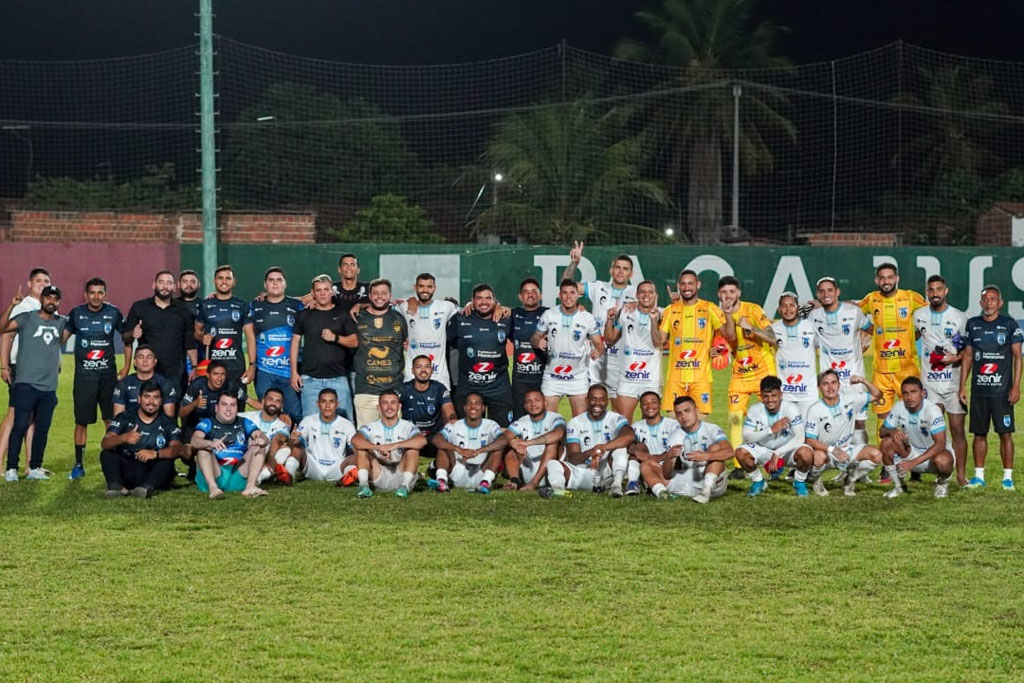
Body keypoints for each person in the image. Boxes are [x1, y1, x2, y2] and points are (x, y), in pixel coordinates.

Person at [959, 284, 1023, 490]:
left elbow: (1017, 357)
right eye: (985, 299)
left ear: (1000, 303)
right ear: (980, 303)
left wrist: (1015, 387)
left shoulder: (1010, 325)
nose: (989, 303)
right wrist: (962, 387)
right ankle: (979, 476)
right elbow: (967, 356)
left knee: (1005, 433)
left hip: (1002, 392)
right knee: (979, 433)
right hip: (979, 391)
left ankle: (1007, 478)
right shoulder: (973, 324)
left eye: (993, 299)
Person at [1, 285, 68, 481]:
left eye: (55, 299)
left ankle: (35, 467)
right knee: (20, 424)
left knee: (42, 429)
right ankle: (11, 467)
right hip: (26, 383)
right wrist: (10, 307)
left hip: (49, 387)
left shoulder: (62, 322)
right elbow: (3, 328)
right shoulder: (27, 317)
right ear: (42, 299)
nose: (51, 301)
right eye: (48, 297)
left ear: (58, 302)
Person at [66, 277, 126, 480]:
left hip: (108, 378)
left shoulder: (113, 313)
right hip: (84, 379)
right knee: (81, 422)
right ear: (86, 294)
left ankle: (113, 461)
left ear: (105, 295)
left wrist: (127, 365)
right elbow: (59, 339)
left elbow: (127, 339)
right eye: (92, 292)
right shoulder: (76, 314)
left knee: (110, 421)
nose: (96, 296)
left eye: (100, 292)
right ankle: (78, 464)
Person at [912, 275, 968, 485]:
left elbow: (967, 351)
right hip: (929, 386)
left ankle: (961, 476)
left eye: (939, 289)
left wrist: (955, 358)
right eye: (931, 290)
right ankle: (936, 471)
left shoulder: (959, 317)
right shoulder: (919, 315)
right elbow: (914, 338)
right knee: (931, 430)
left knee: (957, 431)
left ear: (946, 291)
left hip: (952, 385)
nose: (935, 294)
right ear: (927, 292)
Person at [562, 242, 637, 395]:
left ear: (631, 274)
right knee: (592, 402)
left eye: (625, 269)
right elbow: (566, 285)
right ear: (611, 270)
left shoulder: (638, 293)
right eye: (617, 267)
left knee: (619, 409)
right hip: (596, 355)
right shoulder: (599, 288)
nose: (621, 271)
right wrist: (574, 262)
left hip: (622, 357)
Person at [806, 276, 872, 448]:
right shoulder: (814, 316)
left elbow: (872, 329)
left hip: (854, 378)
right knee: (835, 424)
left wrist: (866, 341)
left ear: (837, 292)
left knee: (859, 423)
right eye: (822, 291)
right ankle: (840, 462)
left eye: (830, 290)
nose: (826, 294)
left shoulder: (853, 312)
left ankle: (860, 465)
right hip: (831, 382)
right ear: (818, 295)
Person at [658, 269, 734, 415]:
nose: (687, 288)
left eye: (690, 284)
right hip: (675, 379)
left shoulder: (709, 308)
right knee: (673, 427)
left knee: (701, 428)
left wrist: (728, 314)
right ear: (678, 286)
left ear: (698, 285)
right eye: (683, 284)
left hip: (701, 378)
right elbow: (659, 340)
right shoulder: (670, 310)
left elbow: (729, 335)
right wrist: (653, 317)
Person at [859, 263, 927, 424]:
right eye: (882, 278)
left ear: (897, 278)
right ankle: (885, 450)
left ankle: (915, 448)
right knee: (883, 419)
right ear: (876, 280)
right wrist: (867, 334)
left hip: (907, 370)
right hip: (881, 372)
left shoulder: (911, 297)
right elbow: (852, 312)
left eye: (890, 277)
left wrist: (917, 333)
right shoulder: (871, 299)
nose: (886, 281)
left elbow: (930, 315)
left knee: (915, 414)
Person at [541, 384, 634, 498]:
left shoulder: (616, 418)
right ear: (586, 400)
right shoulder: (575, 423)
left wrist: (603, 448)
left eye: (601, 399)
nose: (597, 403)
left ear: (607, 401)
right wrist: (590, 452)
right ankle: (558, 490)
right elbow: (573, 458)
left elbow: (629, 435)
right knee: (552, 463)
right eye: (593, 399)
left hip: (607, 471)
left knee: (621, 447)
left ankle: (616, 486)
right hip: (584, 472)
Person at [803, 370, 884, 497]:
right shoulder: (815, 409)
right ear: (819, 387)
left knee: (876, 455)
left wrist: (863, 380)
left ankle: (850, 480)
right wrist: (833, 450)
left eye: (833, 382)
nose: (830, 387)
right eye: (825, 384)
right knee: (818, 457)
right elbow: (810, 440)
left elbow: (878, 395)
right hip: (826, 453)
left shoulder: (851, 400)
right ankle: (815, 480)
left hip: (847, 450)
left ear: (839, 385)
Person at [716, 275, 776, 446]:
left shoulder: (753, 310)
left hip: (764, 373)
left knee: (769, 418)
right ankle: (738, 464)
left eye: (732, 292)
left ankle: (769, 458)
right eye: (724, 292)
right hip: (740, 375)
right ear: (718, 295)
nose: (728, 296)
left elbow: (772, 338)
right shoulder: (719, 316)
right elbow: (731, 337)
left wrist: (752, 328)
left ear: (739, 293)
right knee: (734, 419)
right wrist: (728, 316)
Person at [0, 267, 50, 470]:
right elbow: (6, 335)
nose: (43, 284)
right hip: (19, 367)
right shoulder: (23, 306)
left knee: (33, 417)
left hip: (38, 369)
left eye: (46, 281)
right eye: (38, 281)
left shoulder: (48, 308)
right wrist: (4, 366)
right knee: (14, 414)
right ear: (29, 284)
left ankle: (32, 466)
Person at [532, 278, 604, 416]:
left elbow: (599, 343)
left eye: (572, 292)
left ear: (578, 295)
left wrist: (598, 351)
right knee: (548, 422)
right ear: (559, 295)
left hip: (578, 377)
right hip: (553, 377)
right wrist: (538, 342)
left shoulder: (587, 318)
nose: (568, 296)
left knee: (580, 422)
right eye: (565, 293)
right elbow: (535, 336)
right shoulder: (549, 314)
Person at [640, 396, 733, 504]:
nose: (683, 416)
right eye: (679, 413)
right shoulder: (675, 436)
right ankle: (662, 493)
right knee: (647, 464)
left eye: (687, 411)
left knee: (715, 448)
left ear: (696, 410)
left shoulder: (712, 429)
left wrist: (707, 456)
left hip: (709, 481)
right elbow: (666, 474)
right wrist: (670, 457)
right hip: (683, 481)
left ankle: (706, 491)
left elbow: (730, 452)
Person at [340, 278, 407, 426]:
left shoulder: (399, 319)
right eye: (375, 293)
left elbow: (405, 346)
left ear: (390, 296)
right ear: (369, 296)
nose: (379, 297)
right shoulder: (357, 317)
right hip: (366, 389)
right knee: (366, 438)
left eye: (384, 293)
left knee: (394, 440)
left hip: (393, 391)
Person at [99, 381, 181, 498]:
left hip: (151, 469)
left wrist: (156, 454)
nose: (151, 402)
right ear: (139, 399)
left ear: (161, 401)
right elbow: (105, 443)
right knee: (107, 454)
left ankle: (146, 488)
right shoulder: (125, 417)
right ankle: (116, 487)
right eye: (147, 397)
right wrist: (123, 438)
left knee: (167, 462)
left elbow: (177, 448)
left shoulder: (168, 422)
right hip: (128, 466)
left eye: (156, 397)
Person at [447, 283, 514, 427]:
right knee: (465, 432)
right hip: (468, 387)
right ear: (472, 300)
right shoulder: (460, 319)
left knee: (502, 432)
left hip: (498, 388)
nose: (484, 302)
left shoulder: (506, 318)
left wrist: (502, 308)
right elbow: (448, 342)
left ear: (495, 301)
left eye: (488, 298)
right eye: (479, 298)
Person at [243, 267, 303, 423]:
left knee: (294, 414)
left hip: (290, 371)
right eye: (271, 280)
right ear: (265, 285)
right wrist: (252, 366)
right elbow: (251, 337)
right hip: (264, 371)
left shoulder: (297, 305)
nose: (275, 283)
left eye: (279, 280)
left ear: (285, 284)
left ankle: (293, 445)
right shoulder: (255, 306)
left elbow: (316, 296)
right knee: (268, 411)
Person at [124, 270, 198, 399]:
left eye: (169, 283)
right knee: (148, 407)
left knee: (172, 410)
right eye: (161, 282)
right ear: (154, 285)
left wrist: (194, 367)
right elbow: (125, 337)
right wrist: (133, 333)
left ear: (174, 287)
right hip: (147, 370)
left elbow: (189, 341)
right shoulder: (139, 307)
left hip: (175, 371)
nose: (165, 286)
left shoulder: (183, 310)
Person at [735, 376, 813, 497]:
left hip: (787, 450)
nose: (770, 400)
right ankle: (758, 482)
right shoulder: (755, 410)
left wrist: (778, 453)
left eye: (774, 395)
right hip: (765, 451)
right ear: (761, 396)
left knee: (806, 453)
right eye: (766, 396)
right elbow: (746, 436)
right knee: (740, 452)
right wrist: (770, 430)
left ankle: (799, 482)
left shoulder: (790, 408)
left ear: (781, 395)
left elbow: (800, 438)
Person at [290, 274, 353, 421]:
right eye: (318, 290)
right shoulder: (304, 315)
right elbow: (295, 342)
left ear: (332, 291)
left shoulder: (341, 314)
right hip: (310, 380)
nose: (323, 293)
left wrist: (335, 338)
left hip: (338, 378)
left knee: (345, 424)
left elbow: (355, 341)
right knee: (310, 426)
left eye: (326, 289)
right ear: (312, 293)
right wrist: (293, 372)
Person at [879, 377, 954, 499]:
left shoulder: (932, 410)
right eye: (905, 393)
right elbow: (881, 432)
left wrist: (912, 463)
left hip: (935, 457)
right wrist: (892, 431)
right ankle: (899, 487)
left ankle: (942, 483)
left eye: (913, 392)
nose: (909, 397)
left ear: (923, 393)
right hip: (912, 452)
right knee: (887, 442)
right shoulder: (899, 407)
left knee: (943, 460)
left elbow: (940, 444)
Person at [604, 280, 665, 420]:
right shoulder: (625, 312)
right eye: (642, 291)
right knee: (623, 423)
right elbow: (610, 339)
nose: (646, 295)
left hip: (650, 380)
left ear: (656, 295)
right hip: (628, 379)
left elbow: (658, 342)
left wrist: (654, 320)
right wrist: (609, 320)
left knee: (650, 423)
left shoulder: (663, 314)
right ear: (637, 295)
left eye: (650, 292)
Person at [191, 393, 270, 499]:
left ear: (237, 408)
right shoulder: (208, 422)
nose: (229, 409)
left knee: (260, 447)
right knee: (203, 448)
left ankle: (250, 486)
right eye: (224, 404)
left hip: (237, 472)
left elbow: (262, 436)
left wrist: (262, 440)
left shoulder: (244, 422)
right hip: (215, 471)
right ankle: (213, 488)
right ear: (216, 408)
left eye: (233, 405)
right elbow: (195, 441)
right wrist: (211, 443)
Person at [350, 391, 425, 499]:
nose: (389, 407)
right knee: (361, 449)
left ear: (399, 406)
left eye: (393, 403)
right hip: (378, 473)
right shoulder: (371, 427)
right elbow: (355, 440)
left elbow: (422, 441)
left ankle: (405, 487)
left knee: (413, 449)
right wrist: (377, 447)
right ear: (378, 407)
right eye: (385, 403)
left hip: (401, 473)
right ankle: (363, 486)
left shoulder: (408, 426)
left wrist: (396, 445)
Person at [431, 393, 508, 494]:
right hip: (458, 470)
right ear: (465, 408)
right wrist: (459, 449)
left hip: (482, 470)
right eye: (469, 403)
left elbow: (504, 440)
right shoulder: (454, 425)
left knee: (498, 448)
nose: (473, 406)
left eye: (477, 403)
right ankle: (441, 481)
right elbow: (436, 439)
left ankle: (485, 483)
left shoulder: (491, 425)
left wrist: (479, 451)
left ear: (483, 408)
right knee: (443, 446)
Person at [179, 360, 250, 468]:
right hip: (194, 424)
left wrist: (272, 411)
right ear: (208, 375)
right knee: (185, 453)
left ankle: (219, 468)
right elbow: (181, 413)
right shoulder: (197, 385)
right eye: (216, 374)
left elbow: (249, 401)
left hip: (217, 425)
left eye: (222, 374)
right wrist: (195, 403)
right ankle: (194, 468)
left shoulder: (230, 385)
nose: (220, 378)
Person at [397, 273, 458, 389]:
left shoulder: (446, 307)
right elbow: (383, 306)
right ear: (415, 287)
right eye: (421, 286)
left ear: (434, 288)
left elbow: (469, 309)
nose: (425, 290)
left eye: (429, 287)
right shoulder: (405, 307)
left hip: (439, 377)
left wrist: (499, 307)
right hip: (412, 378)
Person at [396, 355, 456, 470]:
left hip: (434, 437)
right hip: (410, 436)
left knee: (448, 442)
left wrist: (452, 421)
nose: (423, 370)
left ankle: (440, 472)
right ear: (412, 370)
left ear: (432, 370)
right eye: (419, 367)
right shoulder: (403, 389)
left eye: (427, 366)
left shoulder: (439, 388)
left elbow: (450, 412)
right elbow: (391, 407)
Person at [769, 292, 819, 422]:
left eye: (791, 305)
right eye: (784, 306)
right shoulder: (773, 329)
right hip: (785, 394)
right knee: (786, 435)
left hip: (808, 393)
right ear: (779, 309)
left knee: (808, 434)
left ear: (798, 307)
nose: (788, 309)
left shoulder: (811, 327)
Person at [503, 389, 566, 492]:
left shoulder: (556, 418)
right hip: (530, 469)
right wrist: (515, 443)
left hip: (553, 470)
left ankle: (533, 483)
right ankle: (515, 482)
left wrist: (527, 443)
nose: (533, 404)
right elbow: (505, 436)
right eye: (529, 401)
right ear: (525, 406)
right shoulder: (522, 421)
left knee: (552, 443)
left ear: (545, 403)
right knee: (508, 448)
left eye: (537, 400)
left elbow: (558, 434)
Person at [195, 265, 249, 384]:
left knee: (236, 401)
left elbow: (251, 337)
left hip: (236, 366)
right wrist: (202, 337)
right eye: (220, 278)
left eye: (228, 278)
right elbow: (196, 332)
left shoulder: (242, 305)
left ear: (234, 281)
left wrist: (252, 365)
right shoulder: (205, 305)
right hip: (212, 366)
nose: (224, 282)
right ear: (214, 281)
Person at [290, 388, 357, 484]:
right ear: (318, 404)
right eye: (323, 401)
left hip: (337, 467)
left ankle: (346, 479)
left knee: (357, 456)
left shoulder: (347, 425)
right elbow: (294, 442)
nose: (327, 405)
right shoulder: (308, 420)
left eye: (331, 402)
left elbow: (354, 448)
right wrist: (293, 440)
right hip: (314, 466)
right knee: (296, 449)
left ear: (337, 404)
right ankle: (288, 476)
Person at [626, 391, 680, 496]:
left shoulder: (673, 425)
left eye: (654, 402)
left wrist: (657, 458)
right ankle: (633, 483)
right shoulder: (637, 426)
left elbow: (677, 450)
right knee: (637, 447)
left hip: (667, 468)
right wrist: (636, 451)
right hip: (647, 467)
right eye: (645, 403)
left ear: (660, 405)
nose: (649, 406)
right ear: (640, 407)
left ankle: (653, 486)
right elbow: (626, 443)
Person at [509, 278, 547, 421]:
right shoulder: (512, 315)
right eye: (526, 292)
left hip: (543, 378)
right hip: (520, 380)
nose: (530, 295)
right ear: (520, 297)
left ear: (540, 295)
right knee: (520, 419)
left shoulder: (549, 314)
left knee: (543, 419)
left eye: (534, 292)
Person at [239, 387, 294, 485]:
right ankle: (267, 474)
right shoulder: (247, 417)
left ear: (281, 406)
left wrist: (270, 456)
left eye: (277, 401)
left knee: (285, 450)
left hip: (265, 458)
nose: (273, 403)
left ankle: (259, 478)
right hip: (245, 457)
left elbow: (279, 438)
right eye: (270, 399)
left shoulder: (282, 425)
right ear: (263, 401)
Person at [112, 345, 178, 419]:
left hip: (158, 428)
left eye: (149, 357)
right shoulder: (123, 384)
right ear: (135, 362)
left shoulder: (165, 384)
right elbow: (118, 417)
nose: (145, 360)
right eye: (140, 357)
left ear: (155, 361)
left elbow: (169, 417)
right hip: (131, 427)